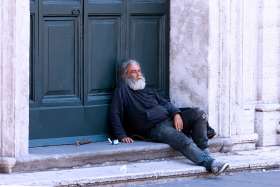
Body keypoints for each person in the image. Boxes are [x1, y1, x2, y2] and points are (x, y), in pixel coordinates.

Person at [109, 59, 230, 175]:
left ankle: (204, 150)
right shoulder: (122, 90)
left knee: (198, 114)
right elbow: (115, 113)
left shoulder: (146, 88)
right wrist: (122, 135)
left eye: (139, 71)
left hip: (169, 118)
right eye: (134, 72)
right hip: (154, 127)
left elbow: (165, 103)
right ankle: (211, 163)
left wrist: (176, 114)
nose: (138, 74)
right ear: (126, 75)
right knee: (182, 140)